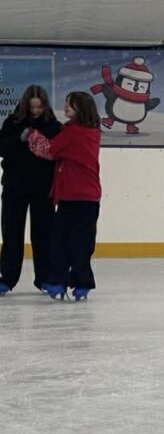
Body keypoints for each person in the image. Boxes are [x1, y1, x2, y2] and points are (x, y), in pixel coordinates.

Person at [27, 92, 101, 301]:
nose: (66, 107)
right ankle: (80, 283)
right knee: (81, 243)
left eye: (70, 105)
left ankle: (59, 281)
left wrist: (32, 135)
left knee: (61, 242)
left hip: (74, 196)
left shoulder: (73, 132)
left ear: (81, 108)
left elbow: (48, 150)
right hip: (88, 197)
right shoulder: (92, 132)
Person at [0, 85, 61, 295]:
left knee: (43, 234)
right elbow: (2, 147)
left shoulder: (53, 126)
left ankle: (44, 277)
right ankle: (7, 278)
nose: (35, 111)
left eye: (39, 107)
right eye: (32, 107)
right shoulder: (13, 123)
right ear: (26, 105)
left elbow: (58, 153)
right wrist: (19, 139)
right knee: (11, 233)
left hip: (43, 189)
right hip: (14, 186)